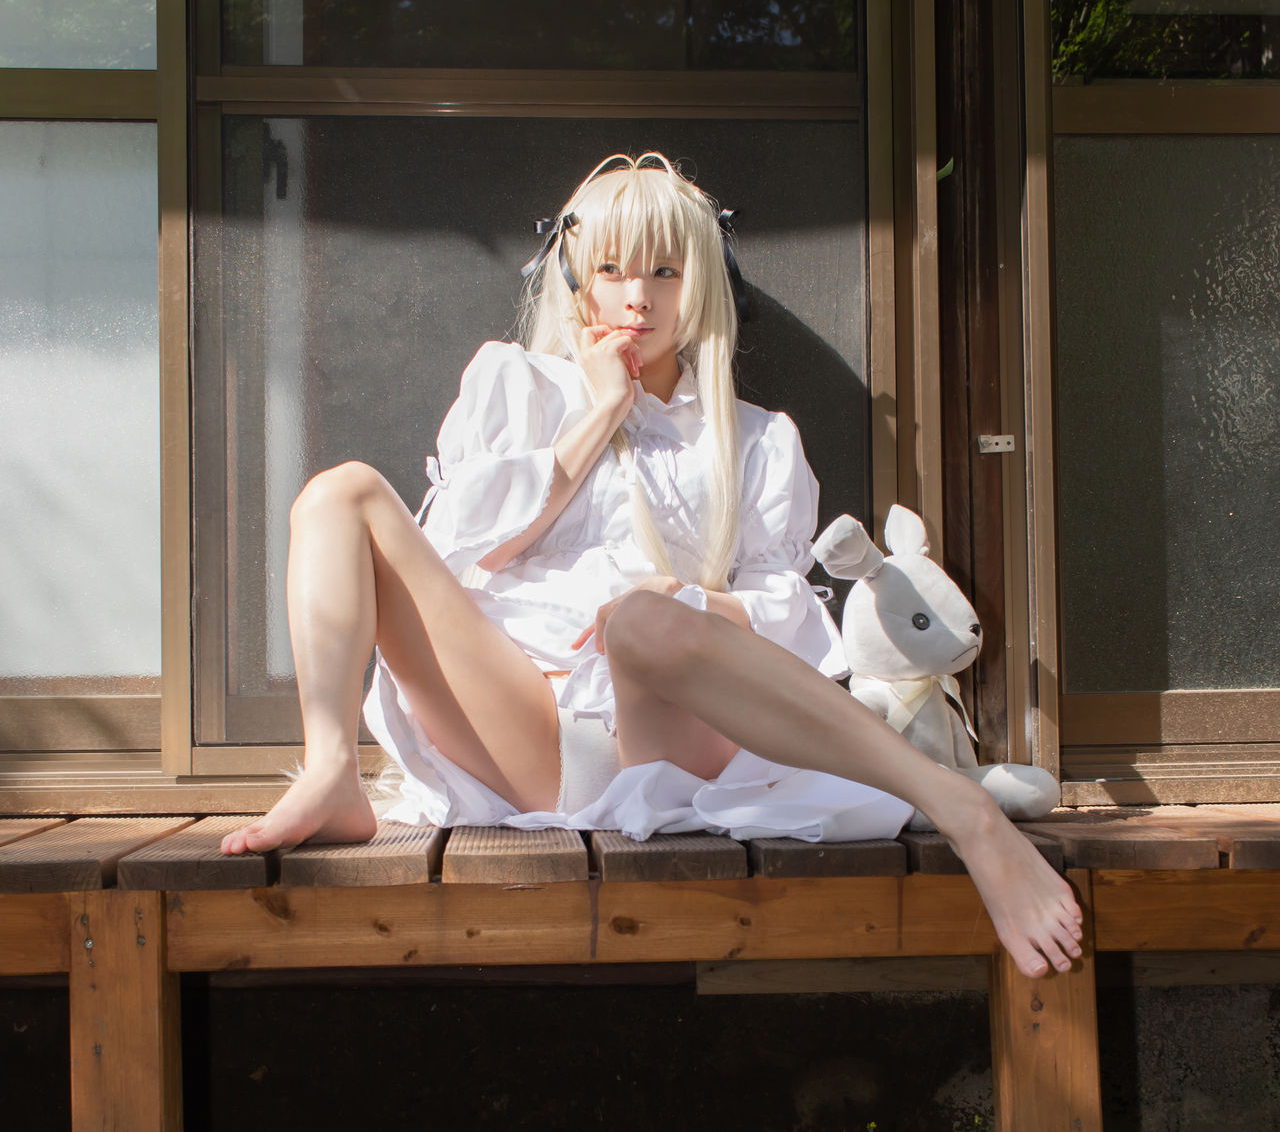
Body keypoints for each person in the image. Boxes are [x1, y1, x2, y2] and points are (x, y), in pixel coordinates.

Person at [222, 153, 1082, 980]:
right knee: (340, 494)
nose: (638, 297)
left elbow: (787, 614)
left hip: (664, 739)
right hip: (518, 727)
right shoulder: (517, 386)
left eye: (665, 272)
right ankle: (330, 772)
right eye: (612, 270)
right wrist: (603, 409)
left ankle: (960, 808)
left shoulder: (757, 439)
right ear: (575, 280)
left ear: (700, 283)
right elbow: (472, 550)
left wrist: (689, 598)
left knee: (643, 617)